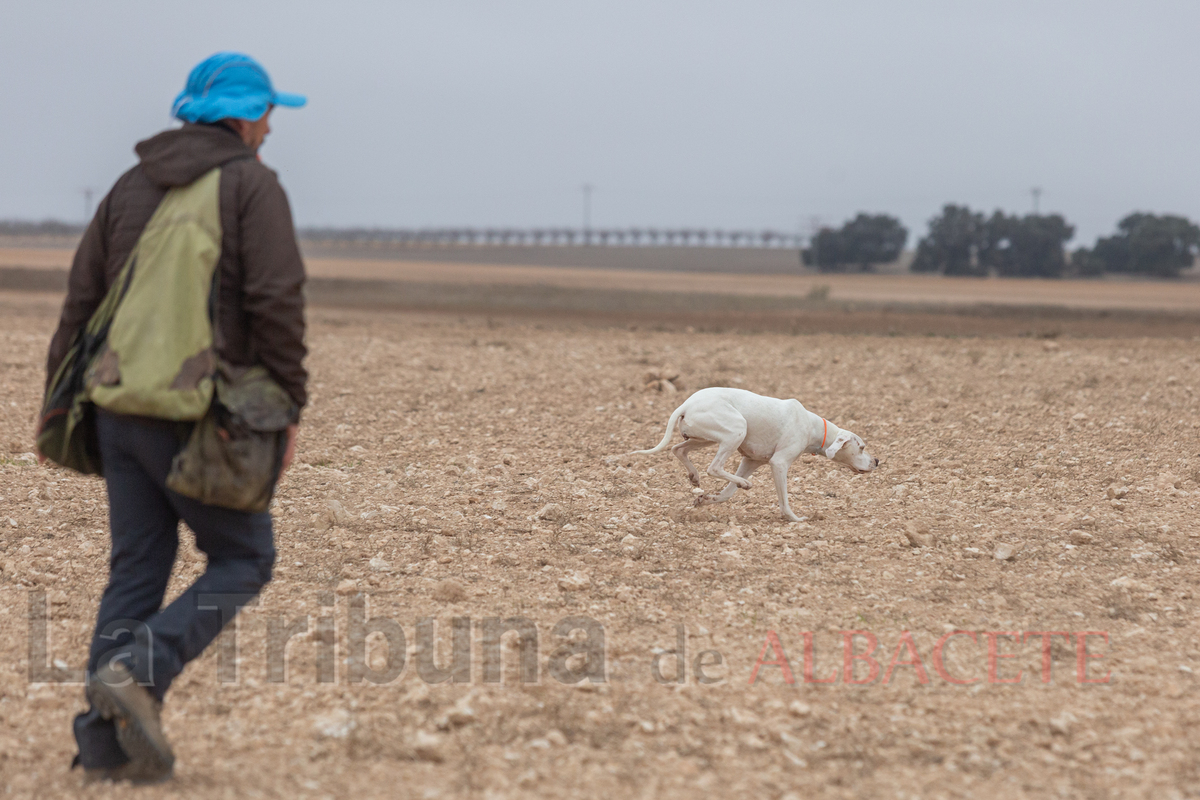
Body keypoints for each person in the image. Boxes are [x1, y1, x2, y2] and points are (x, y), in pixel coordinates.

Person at [40, 52, 309, 784]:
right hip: (198, 416)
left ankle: (103, 747)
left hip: (115, 411)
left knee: (136, 571)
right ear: (243, 115)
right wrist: (286, 408)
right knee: (246, 556)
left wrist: (61, 404)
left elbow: (80, 300)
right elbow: (277, 304)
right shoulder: (251, 187)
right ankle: (141, 670)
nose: (270, 128)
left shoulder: (131, 186)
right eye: (267, 113)